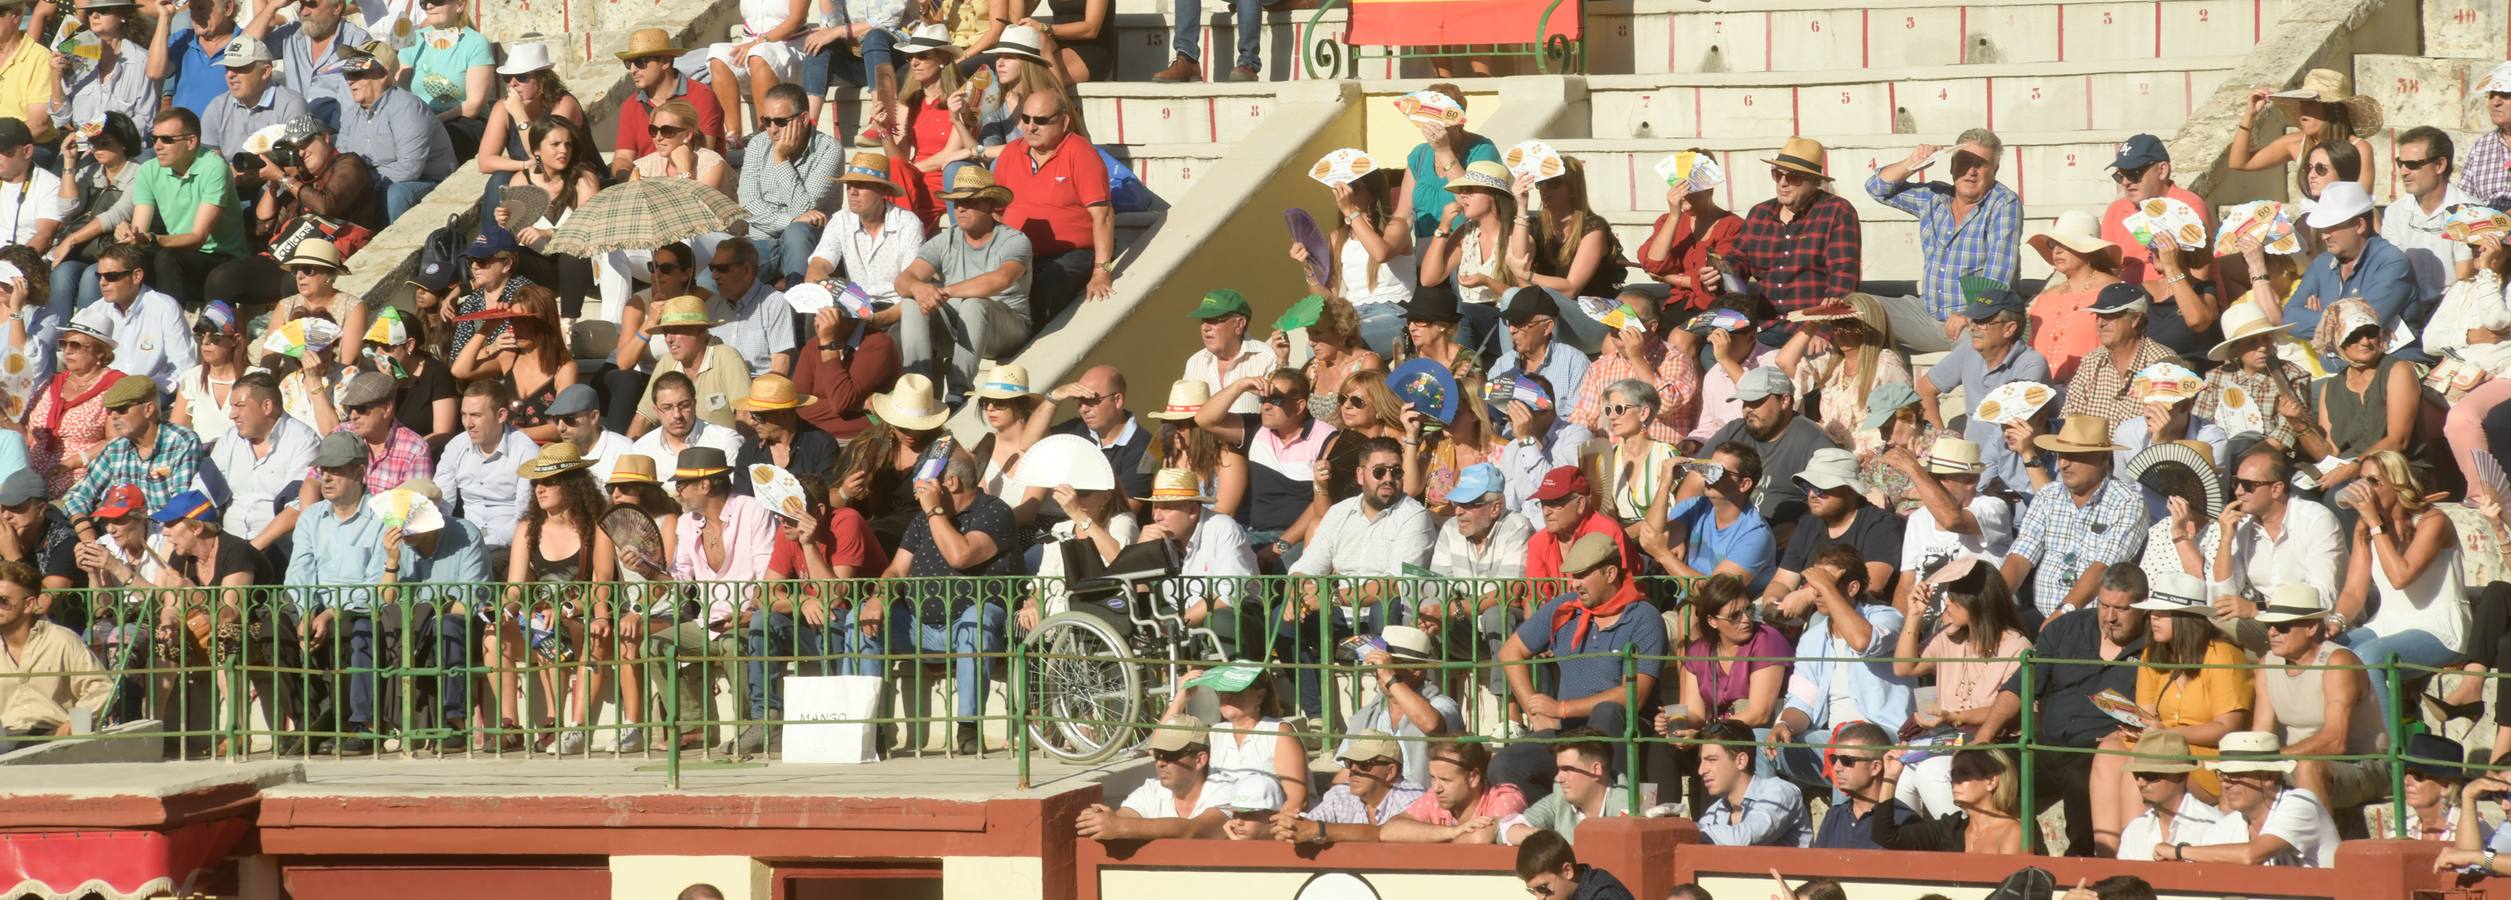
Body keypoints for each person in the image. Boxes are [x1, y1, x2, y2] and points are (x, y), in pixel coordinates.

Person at [847, 447, 1017, 756]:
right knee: (858, 618)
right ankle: (867, 727)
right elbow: (897, 569)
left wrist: (934, 511)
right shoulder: (923, 520)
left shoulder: (994, 512)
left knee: (977, 618)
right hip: (917, 626)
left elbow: (961, 555)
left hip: (968, 628)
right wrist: (878, 600)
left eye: (923, 482)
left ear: (949, 482)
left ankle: (968, 727)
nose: (916, 490)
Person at [1491, 532, 1666, 801]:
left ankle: (1611, 809)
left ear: (1610, 573)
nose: (1575, 583)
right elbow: (1510, 651)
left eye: (1583, 574)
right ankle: (1548, 826)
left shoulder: (1643, 616)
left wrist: (1560, 708)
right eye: (1574, 575)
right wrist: (1534, 709)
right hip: (1569, 735)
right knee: (1505, 763)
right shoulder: (1565, 608)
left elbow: (1635, 695)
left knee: (1607, 712)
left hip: (1623, 733)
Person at [1281, 435, 1432, 712]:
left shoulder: (1414, 516)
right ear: (1361, 475)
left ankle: (1389, 706)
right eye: (1379, 471)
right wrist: (1297, 591)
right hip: (1343, 616)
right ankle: (1316, 714)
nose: (1388, 478)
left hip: (1388, 615)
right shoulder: (1339, 512)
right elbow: (1306, 566)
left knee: (1384, 606)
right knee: (1282, 618)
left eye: (1396, 471)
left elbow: (1393, 586)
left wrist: (1329, 598)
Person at [1763, 544, 1913, 791]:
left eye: (1826, 585)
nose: (1818, 593)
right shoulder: (1812, 637)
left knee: (1846, 744)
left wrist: (1827, 589)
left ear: (1852, 588)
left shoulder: (1887, 617)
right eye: (1814, 586)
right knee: (1756, 742)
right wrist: (1784, 725)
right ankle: (1767, 820)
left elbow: (1864, 642)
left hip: (1884, 740)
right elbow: (1802, 703)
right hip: (1830, 737)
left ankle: (1849, 827)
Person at [1890, 555, 2030, 816]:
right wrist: (1914, 615)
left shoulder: (2016, 645)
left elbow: (2010, 707)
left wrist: (1954, 716)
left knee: (1932, 772)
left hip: (1990, 742)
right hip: (1946, 738)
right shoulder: (1949, 636)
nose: (1947, 606)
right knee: (1901, 771)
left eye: (1953, 600)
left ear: (1977, 603)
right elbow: (1903, 667)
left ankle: (1958, 842)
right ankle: (1914, 851)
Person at [2333, 448, 2467, 721]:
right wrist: (2336, 621)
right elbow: (2353, 590)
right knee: (2330, 650)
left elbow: (2400, 577)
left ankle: (2387, 754)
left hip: (2439, 628)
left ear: (2397, 485)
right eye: (2361, 480)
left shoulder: (2433, 521)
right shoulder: (2366, 528)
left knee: (2369, 654)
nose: (2364, 489)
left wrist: (2373, 523)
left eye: (2374, 482)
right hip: (2388, 623)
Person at [663, 448, 776, 754]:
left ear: (706, 485)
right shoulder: (687, 523)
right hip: (708, 623)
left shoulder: (752, 510)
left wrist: (751, 611)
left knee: (730, 645)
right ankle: (695, 727)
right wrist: (648, 570)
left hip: (748, 618)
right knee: (655, 645)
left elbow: (768, 572)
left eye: (683, 483)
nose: (678, 490)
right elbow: (679, 582)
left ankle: (749, 729)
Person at [285, 432, 389, 753]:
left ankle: (362, 725)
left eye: (336, 469)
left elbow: (376, 582)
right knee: (272, 632)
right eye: (322, 470)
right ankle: (309, 722)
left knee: (360, 630)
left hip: (362, 611)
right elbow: (298, 573)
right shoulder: (312, 517)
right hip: (314, 610)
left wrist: (331, 613)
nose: (326, 477)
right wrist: (306, 613)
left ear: (360, 472)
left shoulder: (382, 515)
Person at [2247, 584, 2388, 816]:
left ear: (2311, 627)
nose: (2272, 632)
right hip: (2295, 763)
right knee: (2239, 776)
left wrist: (2272, 758)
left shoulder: (2338, 662)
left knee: (2308, 768)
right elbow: (2261, 734)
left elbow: (2335, 742)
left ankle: (2322, 848)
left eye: (2282, 626)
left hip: (2364, 764)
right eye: (2268, 625)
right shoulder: (2266, 665)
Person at [894, 165, 1030, 397]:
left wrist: (942, 292)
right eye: (957, 202)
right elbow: (903, 280)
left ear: (989, 204)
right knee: (911, 302)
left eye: (970, 202)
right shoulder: (945, 239)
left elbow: (1001, 279)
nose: (961, 208)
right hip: (957, 326)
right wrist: (920, 289)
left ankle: (959, 390)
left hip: (1006, 330)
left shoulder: (1015, 240)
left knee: (974, 303)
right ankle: (918, 389)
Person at [1867, 131, 2023, 333]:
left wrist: (1971, 313)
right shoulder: (1935, 197)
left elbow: (1999, 270)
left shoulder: (2003, 202)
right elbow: (1875, 188)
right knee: (1856, 309)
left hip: (1979, 319)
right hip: (1928, 313)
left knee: (1979, 343)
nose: (1971, 171)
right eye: (1965, 161)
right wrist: (1912, 162)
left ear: (1995, 170)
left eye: (1981, 164)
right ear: (1952, 166)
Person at [2003, 416, 2151, 622]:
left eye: (2074, 456)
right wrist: (1995, 602)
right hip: (2042, 613)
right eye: (2061, 455)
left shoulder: (2128, 503)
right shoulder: (2048, 495)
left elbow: (2104, 567)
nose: (2063, 464)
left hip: (2094, 620)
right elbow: (2021, 555)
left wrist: (2064, 612)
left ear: (2102, 459)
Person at [1917, 287, 2049, 497]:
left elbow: (2011, 428)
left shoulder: (2031, 364)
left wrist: (1978, 482)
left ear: (2009, 328)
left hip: (2013, 472)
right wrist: (1941, 439)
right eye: (1972, 321)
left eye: (1983, 322)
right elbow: (1924, 389)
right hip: (1972, 469)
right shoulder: (1968, 352)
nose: (1973, 328)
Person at [991, 89, 1110, 320]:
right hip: (1020, 252)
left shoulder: (1080, 152)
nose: (1030, 127)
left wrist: (1101, 271)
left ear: (1064, 122)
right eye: (1025, 119)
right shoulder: (1011, 153)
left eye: (1041, 121)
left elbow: (1103, 215)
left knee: (1047, 285)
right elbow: (995, 211)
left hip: (1070, 253)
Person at [2197, 446, 2344, 622]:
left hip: (2313, 623)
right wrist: (2226, 540)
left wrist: (2256, 609)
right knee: (2216, 620)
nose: (2238, 492)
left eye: (2248, 485)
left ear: (2276, 489)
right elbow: (2220, 600)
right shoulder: (2243, 526)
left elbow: (2322, 598)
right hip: (2267, 622)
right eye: (2236, 482)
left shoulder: (2316, 520)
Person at [1756, 448, 1904, 617]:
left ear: (1850, 490)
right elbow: (1782, 581)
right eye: (1807, 487)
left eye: (1821, 489)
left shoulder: (1881, 524)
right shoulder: (1809, 523)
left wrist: (1807, 595)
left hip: (1861, 616)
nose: (1812, 495)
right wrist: (1774, 605)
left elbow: (1873, 583)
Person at [1196, 369, 1334, 546]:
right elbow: (1204, 419)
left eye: (1275, 400)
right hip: (1257, 535)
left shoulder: (1325, 436)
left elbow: (1321, 504)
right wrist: (1240, 385)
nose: (1265, 406)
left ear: (1300, 406)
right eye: (1263, 399)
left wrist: (1280, 546)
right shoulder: (1257, 428)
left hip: (1302, 539)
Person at [124, 109, 244, 306]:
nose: (157, 146)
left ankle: (171, 326)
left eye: (166, 139)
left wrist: (152, 238)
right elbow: (139, 231)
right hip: (179, 254)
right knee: (124, 261)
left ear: (191, 141)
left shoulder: (214, 167)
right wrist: (129, 234)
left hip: (221, 257)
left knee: (166, 257)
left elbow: (198, 238)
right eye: (154, 139)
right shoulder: (148, 170)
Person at [2303, 300, 2426, 493]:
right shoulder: (2331, 387)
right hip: (2348, 468)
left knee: (2340, 495)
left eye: (2370, 333)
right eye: (2354, 336)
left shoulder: (2397, 370)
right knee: (2301, 492)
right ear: (2339, 341)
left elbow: (2398, 439)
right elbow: (2330, 452)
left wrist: (2355, 467)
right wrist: (2300, 426)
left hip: (2397, 469)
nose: (2365, 342)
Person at [1728, 137, 1860, 314]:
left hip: (1811, 324)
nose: (1782, 182)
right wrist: (1719, 272)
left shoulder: (1837, 211)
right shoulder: (1759, 214)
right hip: (1765, 324)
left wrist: (1824, 330)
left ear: (1814, 181)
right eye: (1777, 174)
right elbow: (1738, 260)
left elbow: (1843, 276)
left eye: (1793, 177)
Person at [2167, 731, 2341, 866]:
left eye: (2236, 775)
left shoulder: (2301, 803)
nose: (2226, 784)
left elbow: (2251, 854)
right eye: (2222, 775)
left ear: (2268, 777)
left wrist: (2178, 851)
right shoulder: (2222, 830)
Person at [1700, 367, 1838, 532]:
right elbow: (1694, 478)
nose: (1748, 409)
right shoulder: (1734, 430)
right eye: (1745, 402)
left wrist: (1800, 529)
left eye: (1756, 401)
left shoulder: (1814, 441)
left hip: (1775, 540)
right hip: (1718, 531)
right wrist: (1681, 526)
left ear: (1784, 401)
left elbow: (1836, 500)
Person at [1422, 466, 1534, 665]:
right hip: (1466, 628)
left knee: (1496, 615)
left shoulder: (1517, 527)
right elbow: (1438, 587)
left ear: (1495, 508)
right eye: (1457, 503)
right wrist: (1431, 613)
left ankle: (1506, 695)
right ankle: (1428, 694)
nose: (1458, 511)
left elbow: (1510, 595)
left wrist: (1454, 608)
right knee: (1421, 620)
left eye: (1469, 504)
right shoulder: (1450, 529)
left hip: (1510, 631)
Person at [803, 146, 922, 323]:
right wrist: (825, 289)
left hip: (897, 307)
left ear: (882, 191)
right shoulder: (840, 220)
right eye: (849, 185)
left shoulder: (907, 223)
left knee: (900, 333)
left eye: (861, 185)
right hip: (854, 304)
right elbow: (818, 265)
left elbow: (913, 285)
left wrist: (875, 319)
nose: (852, 192)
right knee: (819, 313)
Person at [736, 83, 840, 288]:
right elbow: (747, 204)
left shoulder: (829, 149)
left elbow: (806, 208)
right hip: (761, 240)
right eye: (767, 121)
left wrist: (780, 158)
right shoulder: (757, 144)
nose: (772, 130)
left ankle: (798, 311)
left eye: (781, 122)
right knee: (718, 270)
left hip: (808, 243)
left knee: (797, 232)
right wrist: (790, 219)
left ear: (803, 119)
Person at [2280, 182, 2413, 342]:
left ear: (2359, 225)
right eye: (2323, 229)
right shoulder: (2321, 264)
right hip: (2337, 366)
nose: (2324, 236)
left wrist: (2319, 319)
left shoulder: (2392, 262)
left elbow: (2362, 327)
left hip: (2388, 365)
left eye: (2331, 227)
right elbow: (2289, 317)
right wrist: (2334, 321)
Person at [0, 559, 110, 751]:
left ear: (29, 604)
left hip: (53, 738)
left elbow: (100, 687)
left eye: (3, 601)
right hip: (5, 739)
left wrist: (75, 723)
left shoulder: (61, 640)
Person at [56, 375, 202, 519]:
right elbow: (80, 495)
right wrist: (85, 530)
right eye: (109, 411)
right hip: (122, 532)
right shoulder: (115, 448)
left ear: (148, 409)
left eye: (121, 409)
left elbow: (182, 504)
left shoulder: (182, 442)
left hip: (165, 530)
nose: (113, 416)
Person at [336, 41, 453, 219]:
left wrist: (361, 185)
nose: (350, 80)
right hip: (373, 185)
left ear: (383, 74)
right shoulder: (351, 114)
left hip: (428, 183)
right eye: (347, 73)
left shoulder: (408, 107)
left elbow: (409, 168)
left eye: (357, 72)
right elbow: (341, 161)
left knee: (394, 194)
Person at [207, 373, 318, 555]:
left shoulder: (303, 440)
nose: (232, 415)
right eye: (231, 407)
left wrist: (250, 552)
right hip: (229, 544)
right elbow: (204, 489)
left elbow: (297, 508)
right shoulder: (230, 438)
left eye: (240, 406)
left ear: (267, 406)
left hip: (279, 548)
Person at [2229, 69, 2380, 200]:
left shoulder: (2359, 148)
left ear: (2332, 109)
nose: (2302, 111)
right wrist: (2250, 115)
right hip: (2308, 223)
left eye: (2311, 104)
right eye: (2301, 104)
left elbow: (2361, 200)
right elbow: (2238, 162)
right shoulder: (2294, 143)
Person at [435, 380, 537, 573]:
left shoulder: (526, 451)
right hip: (464, 540)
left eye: (476, 415)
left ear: (501, 415)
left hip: (509, 545)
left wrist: (483, 543)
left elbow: (525, 514)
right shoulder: (456, 447)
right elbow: (442, 503)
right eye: (464, 415)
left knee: (475, 567)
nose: (468, 424)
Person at [1072, 715, 1231, 840]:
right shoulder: (1151, 789)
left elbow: (1195, 830)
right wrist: (1097, 820)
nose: (1160, 762)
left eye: (1170, 755)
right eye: (1157, 755)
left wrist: (1120, 826)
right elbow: (1122, 818)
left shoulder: (1224, 789)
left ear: (1199, 760)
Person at [1418, 160, 1521, 352]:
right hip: (1469, 318)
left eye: (1471, 190)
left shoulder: (1516, 235)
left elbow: (1520, 297)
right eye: (1462, 190)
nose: (1462, 196)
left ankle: (1466, 376)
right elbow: (1428, 279)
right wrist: (1444, 227)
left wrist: (1486, 281)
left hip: (1509, 321)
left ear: (1493, 196)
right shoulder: (1466, 232)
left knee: (1461, 313)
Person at [45, 111, 140, 318]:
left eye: (104, 142)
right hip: (86, 250)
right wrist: (69, 163)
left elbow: (116, 215)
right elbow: (67, 208)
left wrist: (71, 239)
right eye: (93, 143)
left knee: (92, 276)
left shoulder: (139, 173)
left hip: (116, 251)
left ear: (123, 142)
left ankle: (89, 336)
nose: (97, 148)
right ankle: (61, 337)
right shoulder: (91, 171)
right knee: (62, 273)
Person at [2195, 303, 2315, 456]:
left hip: (2272, 456)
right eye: (2252, 342)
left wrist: (2247, 458)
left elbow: (2287, 431)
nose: (2263, 347)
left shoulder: (2291, 376)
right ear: (2236, 349)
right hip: (2221, 453)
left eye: (2266, 339)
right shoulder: (2216, 378)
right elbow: (2200, 423)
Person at [607, 29, 726, 182]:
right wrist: (628, 180)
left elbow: (704, 154)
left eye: (640, 62)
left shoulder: (701, 95)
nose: (633, 70)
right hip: (648, 188)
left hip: (697, 182)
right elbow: (623, 158)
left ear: (665, 62)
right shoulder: (631, 105)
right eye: (629, 63)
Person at [2099, 134, 2214, 287]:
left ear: (2162, 170)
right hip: (2128, 302)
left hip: (2174, 301)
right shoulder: (2117, 210)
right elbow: (2105, 269)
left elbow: (2199, 273)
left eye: (2134, 174)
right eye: (2120, 176)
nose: (2126, 182)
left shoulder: (2187, 207)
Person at [632, 295, 753, 437]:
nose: (669, 339)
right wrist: (626, 456)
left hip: (723, 453)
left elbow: (745, 416)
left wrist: (738, 454)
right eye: (665, 332)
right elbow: (644, 417)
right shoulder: (666, 362)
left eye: (676, 330)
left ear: (701, 331)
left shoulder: (726, 357)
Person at [1871, 748, 2032, 853]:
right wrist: (1890, 777)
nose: (1954, 781)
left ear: (1991, 781)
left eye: (1964, 773)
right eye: (1953, 774)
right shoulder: (1952, 828)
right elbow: (1886, 836)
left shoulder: (2013, 832)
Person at [1271, 731, 1425, 841]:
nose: (1353, 769)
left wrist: (1320, 830)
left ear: (1390, 771)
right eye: (1350, 762)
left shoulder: (1412, 798)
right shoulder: (1341, 795)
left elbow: (1386, 834)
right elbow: (1310, 824)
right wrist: (1290, 827)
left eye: (1364, 764)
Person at [80, 243, 193, 387]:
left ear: (136, 276)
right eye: (99, 276)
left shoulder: (165, 308)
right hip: (106, 392)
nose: (102, 282)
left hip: (152, 392)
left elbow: (184, 367)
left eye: (111, 276)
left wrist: (145, 388)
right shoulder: (96, 310)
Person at [1045, 365, 1156, 508]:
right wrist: (1053, 398)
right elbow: (1028, 444)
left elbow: (1124, 511)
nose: (1083, 409)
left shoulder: (1147, 449)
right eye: (1079, 401)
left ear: (1117, 400)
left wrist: (1077, 513)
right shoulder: (1079, 427)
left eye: (1091, 401)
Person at [1694, 718, 1813, 847]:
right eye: (1701, 761)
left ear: (1741, 761)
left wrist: (1684, 829)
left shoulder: (1780, 792)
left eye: (1711, 760)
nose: (1701, 770)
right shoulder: (1717, 809)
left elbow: (1743, 838)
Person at [1379, 741, 1528, 843]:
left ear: (1473, 777)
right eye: (1433, 778)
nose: (1437, 788)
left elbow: (1481, 838)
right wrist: (1453, 832)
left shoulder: (1505, 796)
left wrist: (1428, 837)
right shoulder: (1434, 798)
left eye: (1445, 780)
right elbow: (1389, 831)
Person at [1500, 733, 1634, 846]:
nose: (1558, 778)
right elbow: (1509, 829)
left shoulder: (1631, 805)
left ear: (1596, 770)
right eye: (1559, 769)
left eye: (1567, 769)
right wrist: (1544, 837)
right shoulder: (1560, 799)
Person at [53, 0, 153, 142]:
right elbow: (60, 118)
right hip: (81, 147)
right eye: (89, 12)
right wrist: (55, 75)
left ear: (122, 15)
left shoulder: (141, 60)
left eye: (104, 10)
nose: (94, 15)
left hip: (125, 148)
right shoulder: (74, 55)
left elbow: (146, 118)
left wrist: (105, 139)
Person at [196, 36, 304, 163]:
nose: (230, 75)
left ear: (265, 72)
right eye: (227, 68)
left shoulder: (291, 105)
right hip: (229, 180)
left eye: (239, 68)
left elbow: (294, 162)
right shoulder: (217, 107)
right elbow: (210, 164)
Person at [630, 372, 748, 488]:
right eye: (667, 408)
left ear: (694, 404)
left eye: (684, 405)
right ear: (656, 411)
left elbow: (735, 494)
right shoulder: (642, 449)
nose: (677, 415)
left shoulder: (725, 441)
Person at [1490, 290, 1590, 426]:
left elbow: (1577, 423)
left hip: (1556, 443)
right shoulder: (1503, 365)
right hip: (1511, 443)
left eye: (1520, 322)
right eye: (1509, 322)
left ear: (1547, 327)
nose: (1511, 329)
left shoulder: (1574, 363)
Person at [706, 238, 798, 379]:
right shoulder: (712, 306)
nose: (714, 275)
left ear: (747, 270)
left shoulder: (774, 303)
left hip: (757, 390)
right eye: (712, 268)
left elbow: (780, 366)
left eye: (722, 269)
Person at [168, 300, 251, 447]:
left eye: (214, 336)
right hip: (204, 463)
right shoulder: (192, 378)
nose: (205, 342)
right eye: (201, 335)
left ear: (235, 340)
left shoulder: (255, 379)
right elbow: (176, 437)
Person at [1808, 722, 1898, 849]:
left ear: (1875, 767)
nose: (1837, 767)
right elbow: (1818, 866)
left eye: (1846, 760)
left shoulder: (1901, 819)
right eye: (1834, 759)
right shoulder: (1835, 815)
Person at [150, 0, 245, 117]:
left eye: (201, 8)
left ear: (228, 8)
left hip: (227, 133)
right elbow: (154, 72)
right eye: (192, 9)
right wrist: (164, 18)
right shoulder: (183, 39)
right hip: (185, 133)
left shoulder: (245, 43)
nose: (195, 16)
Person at [0, 119, 55, 254]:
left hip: (20, 265)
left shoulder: (50, 185)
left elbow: (44, 237)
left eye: (5, 151)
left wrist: (9, 267)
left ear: (27, 151)